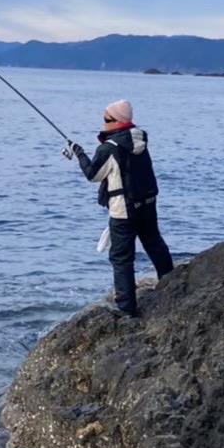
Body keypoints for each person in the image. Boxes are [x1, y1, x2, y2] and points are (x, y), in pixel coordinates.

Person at [71, 99, 173, 316]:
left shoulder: (110, 148)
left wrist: (78, 153)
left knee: (121, 257)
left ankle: (126, 308)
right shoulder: (140, 141)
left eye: (106, 119)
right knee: (154, 243)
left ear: (116, 121)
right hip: (147, 204)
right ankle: (171, 282)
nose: (103, 123)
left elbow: (93, 174)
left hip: (123, 210)